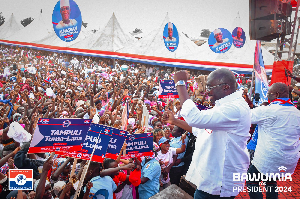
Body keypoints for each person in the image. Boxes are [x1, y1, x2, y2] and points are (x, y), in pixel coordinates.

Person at [169, 68, 251, 198]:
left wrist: (180, 84)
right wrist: (175, 121)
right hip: (212, 178)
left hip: (220, 181)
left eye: (210, 87)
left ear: (226, 87)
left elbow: (195, 118)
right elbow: (200, 130)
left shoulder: (234, 108)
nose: (207, 91)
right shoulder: (225, 105)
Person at [246, 83, 300, 199]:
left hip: (269, 158)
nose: (267, 96)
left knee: (251, 180)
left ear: (276, 94)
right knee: (270, 182)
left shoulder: (267, 110)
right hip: (288, 160)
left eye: (268, 94)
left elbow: (245, 117)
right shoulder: (297, 113)